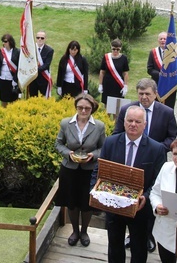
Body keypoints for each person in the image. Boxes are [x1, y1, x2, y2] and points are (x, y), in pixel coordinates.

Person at [94, 105, 167, 263]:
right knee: (114, 245)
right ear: (124, 122)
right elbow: (98, 170)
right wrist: (93, 190)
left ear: (144, 125)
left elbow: (159, 180)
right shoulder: (111, 142)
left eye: (138, 121)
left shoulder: (156, 149)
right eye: (130, 120)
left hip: (140, 209)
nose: (133, 124)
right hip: (113, 205)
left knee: (139, 247)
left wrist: (146, 197)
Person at [55, 93, 106, 247]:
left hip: (89, 171)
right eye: (80, 107)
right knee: (71, 202)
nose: (83, 111)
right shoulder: (65, 123)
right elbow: (58, 144)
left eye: (87, 108)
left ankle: (84, 231)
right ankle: (75, 231)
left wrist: (94, 155)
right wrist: (68, 153)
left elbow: (103, 148)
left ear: (92, 109)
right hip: (69, 169)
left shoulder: (99, 126)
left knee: (86, 203)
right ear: (76, 107)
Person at [114, 78, 177, 151]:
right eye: (141, 94)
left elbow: (173, 137)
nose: (144, 97)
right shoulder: (126, 110)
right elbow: (117, 134)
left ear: (155, 94)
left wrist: (158, 148)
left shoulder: (167, 112)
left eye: (147, 94)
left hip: (156, 156)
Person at [147, 32, 176, 109]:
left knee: (169, 107)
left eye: (165, 39)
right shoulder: (153, 52)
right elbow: (150, 69)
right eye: (161, 39)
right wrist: (161, 75)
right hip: (157, 84)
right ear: (158, 40)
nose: (163, 41)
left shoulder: (175, 52)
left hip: (170, 85)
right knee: (156, 107)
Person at [98, 39, 129, 105]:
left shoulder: (124, 58)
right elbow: (102, 72)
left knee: (117, 107)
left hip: (118, 85)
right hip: (107, 85)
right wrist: (100, 84)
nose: (115, 51)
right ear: (111, 47)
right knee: (107, 106)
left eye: (117, 49)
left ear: (120, 49)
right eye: (113, 49)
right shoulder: (106, 57)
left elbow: (125, 73)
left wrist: (125, 86)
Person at [0, 33, 20, 107]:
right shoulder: (0, 52)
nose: (3, 43)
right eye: (3, 41)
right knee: (3, 99)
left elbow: (19, 67)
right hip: (2, 79)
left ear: (10, 42)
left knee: (13, 100)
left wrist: (15, 79)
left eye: (5, 41)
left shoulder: (17, 52)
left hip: (12, 80)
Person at [28, 31, 53, 98]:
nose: (40, 39)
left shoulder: (49, 50)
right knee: (32, 97)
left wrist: (35, 70)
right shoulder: (31, 49)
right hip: (33, 79)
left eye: (42, 38)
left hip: (43, 78)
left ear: (45, 39)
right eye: (38, 37)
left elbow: (46, 64)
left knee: (44, 98)